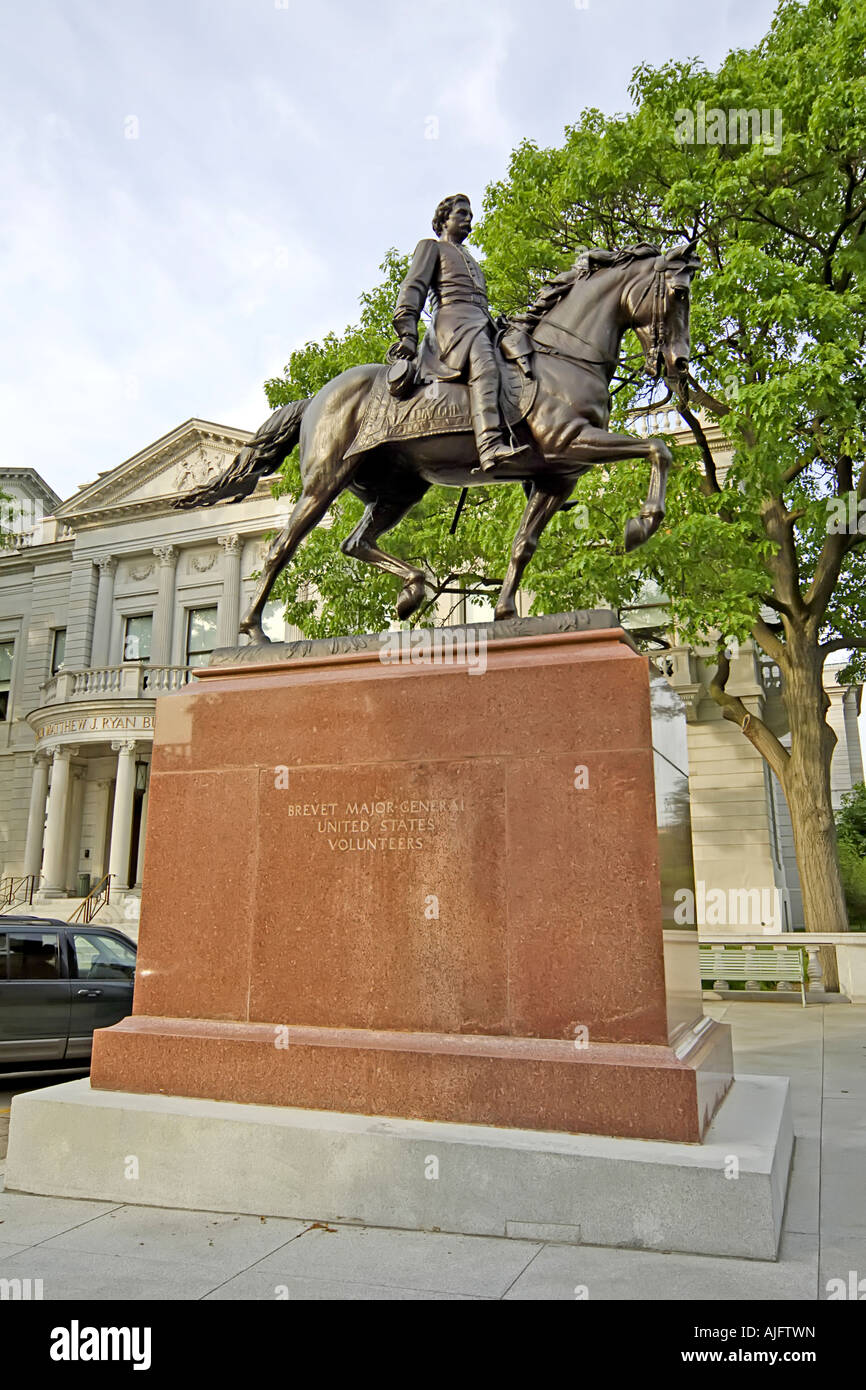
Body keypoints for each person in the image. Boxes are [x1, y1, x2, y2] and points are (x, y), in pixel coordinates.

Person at [392, 194, 531, 472]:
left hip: (482, 323)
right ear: (444, 219)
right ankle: (490, 447)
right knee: (487, 368)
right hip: (453, 326)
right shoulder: (431, 247)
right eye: (462, 214)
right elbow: (413, 287)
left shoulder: (469, 258)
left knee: (520, 371)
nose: (469, 219)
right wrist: (408, 334)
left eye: (470, 215)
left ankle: (531, 466)